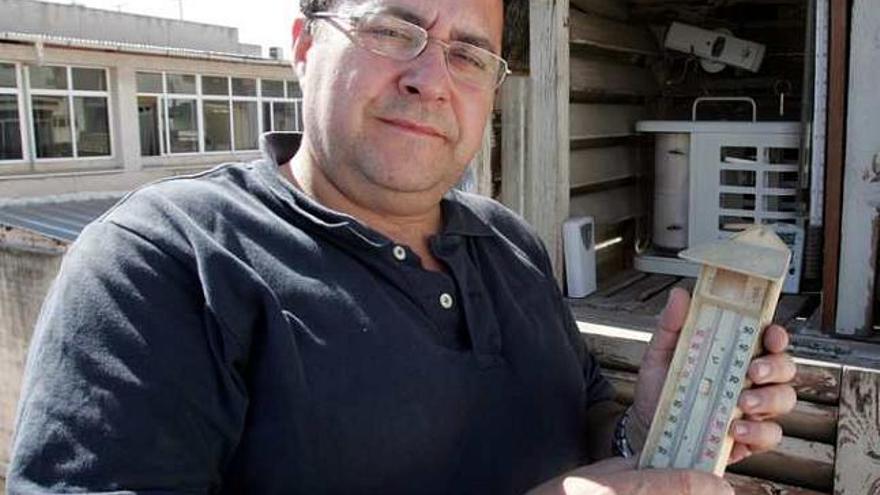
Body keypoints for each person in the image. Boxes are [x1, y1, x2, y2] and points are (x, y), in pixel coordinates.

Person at [7, 0, 797, 493]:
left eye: (469, 53)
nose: (430, 77)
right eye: (393, 29)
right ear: (304, 45)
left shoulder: (511, 244)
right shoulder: (161, 262)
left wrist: (649, 428)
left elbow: (584, 427)